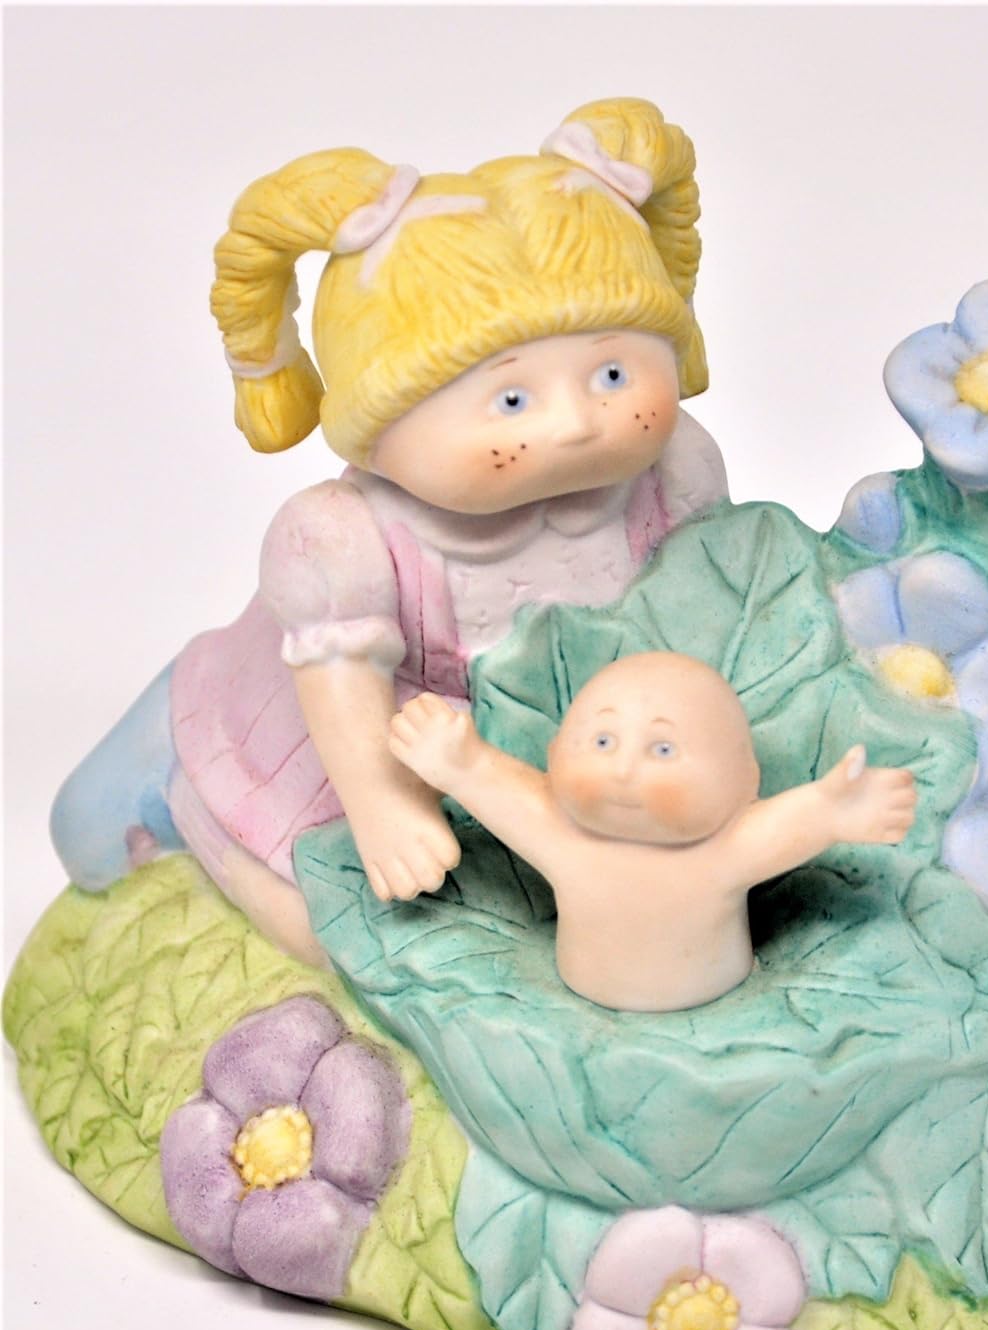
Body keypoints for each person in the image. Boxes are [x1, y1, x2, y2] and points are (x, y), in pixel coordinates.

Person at [50, 99, 728, 965]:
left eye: (611, 374)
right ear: (378, 426)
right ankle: (203, 820)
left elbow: (715, 604)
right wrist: (382, 806)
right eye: (512, 398)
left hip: (596, 747)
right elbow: (343, 688)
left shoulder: (676, 470)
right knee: (334, 935)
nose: (574, 424)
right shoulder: (343, 537)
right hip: (379, 742)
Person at [388, 654, 919, 1011]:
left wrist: (836, 808)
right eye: (602, 742)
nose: (624, 771)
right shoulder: (560, 833)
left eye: (663, 750)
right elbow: (492, 786)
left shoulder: (725, 851)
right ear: (554, 755)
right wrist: (456, 762)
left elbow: (798, 822)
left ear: (745, 781)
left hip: (715, 991)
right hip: (582, 989)